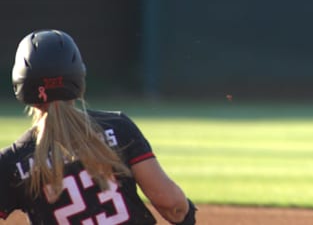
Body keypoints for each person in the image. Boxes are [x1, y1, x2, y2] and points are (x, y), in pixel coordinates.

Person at [0, 29, 196, 225]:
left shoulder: (11, 162)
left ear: (21, 84)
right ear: (77, 78)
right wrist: (187, 215)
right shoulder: (118, 128)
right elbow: (172, 205)